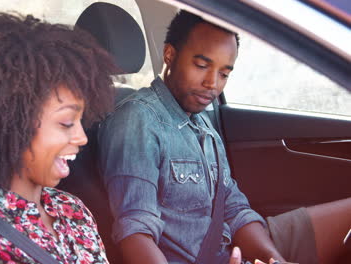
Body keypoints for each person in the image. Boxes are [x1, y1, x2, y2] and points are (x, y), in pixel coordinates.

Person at [97, 10, 351, 264]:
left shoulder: (202, 123)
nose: (212, 83)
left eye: (224, 74)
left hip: (237, 248)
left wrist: (274, 259)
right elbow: (135, 232)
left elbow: (234, 208)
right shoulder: (137, 120)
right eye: (202, 65)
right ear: (169, 55)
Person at [0, 13, 117, 264]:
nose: (82, 138)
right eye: (66, 123)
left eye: (81, 122)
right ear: (10, 124)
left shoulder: (71, 208)